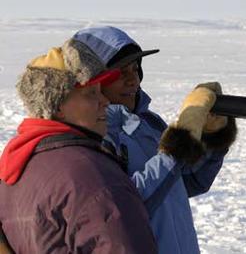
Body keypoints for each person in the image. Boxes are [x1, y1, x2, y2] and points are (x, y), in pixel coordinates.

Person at [72, 26, 238, 254]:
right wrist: (178, 145)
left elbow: (187, 182)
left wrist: (211, 136)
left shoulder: (148, 123)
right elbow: (125, 207)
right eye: (121, 72)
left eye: (135, 69)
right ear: (92, 80)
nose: (133, 80)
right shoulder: (91, 138)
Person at [0, 39, 158, 253]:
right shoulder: (90, 174)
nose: (104, 101)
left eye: (101, 90)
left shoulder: (16, 167)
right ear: (57, 106)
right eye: (91, 93)